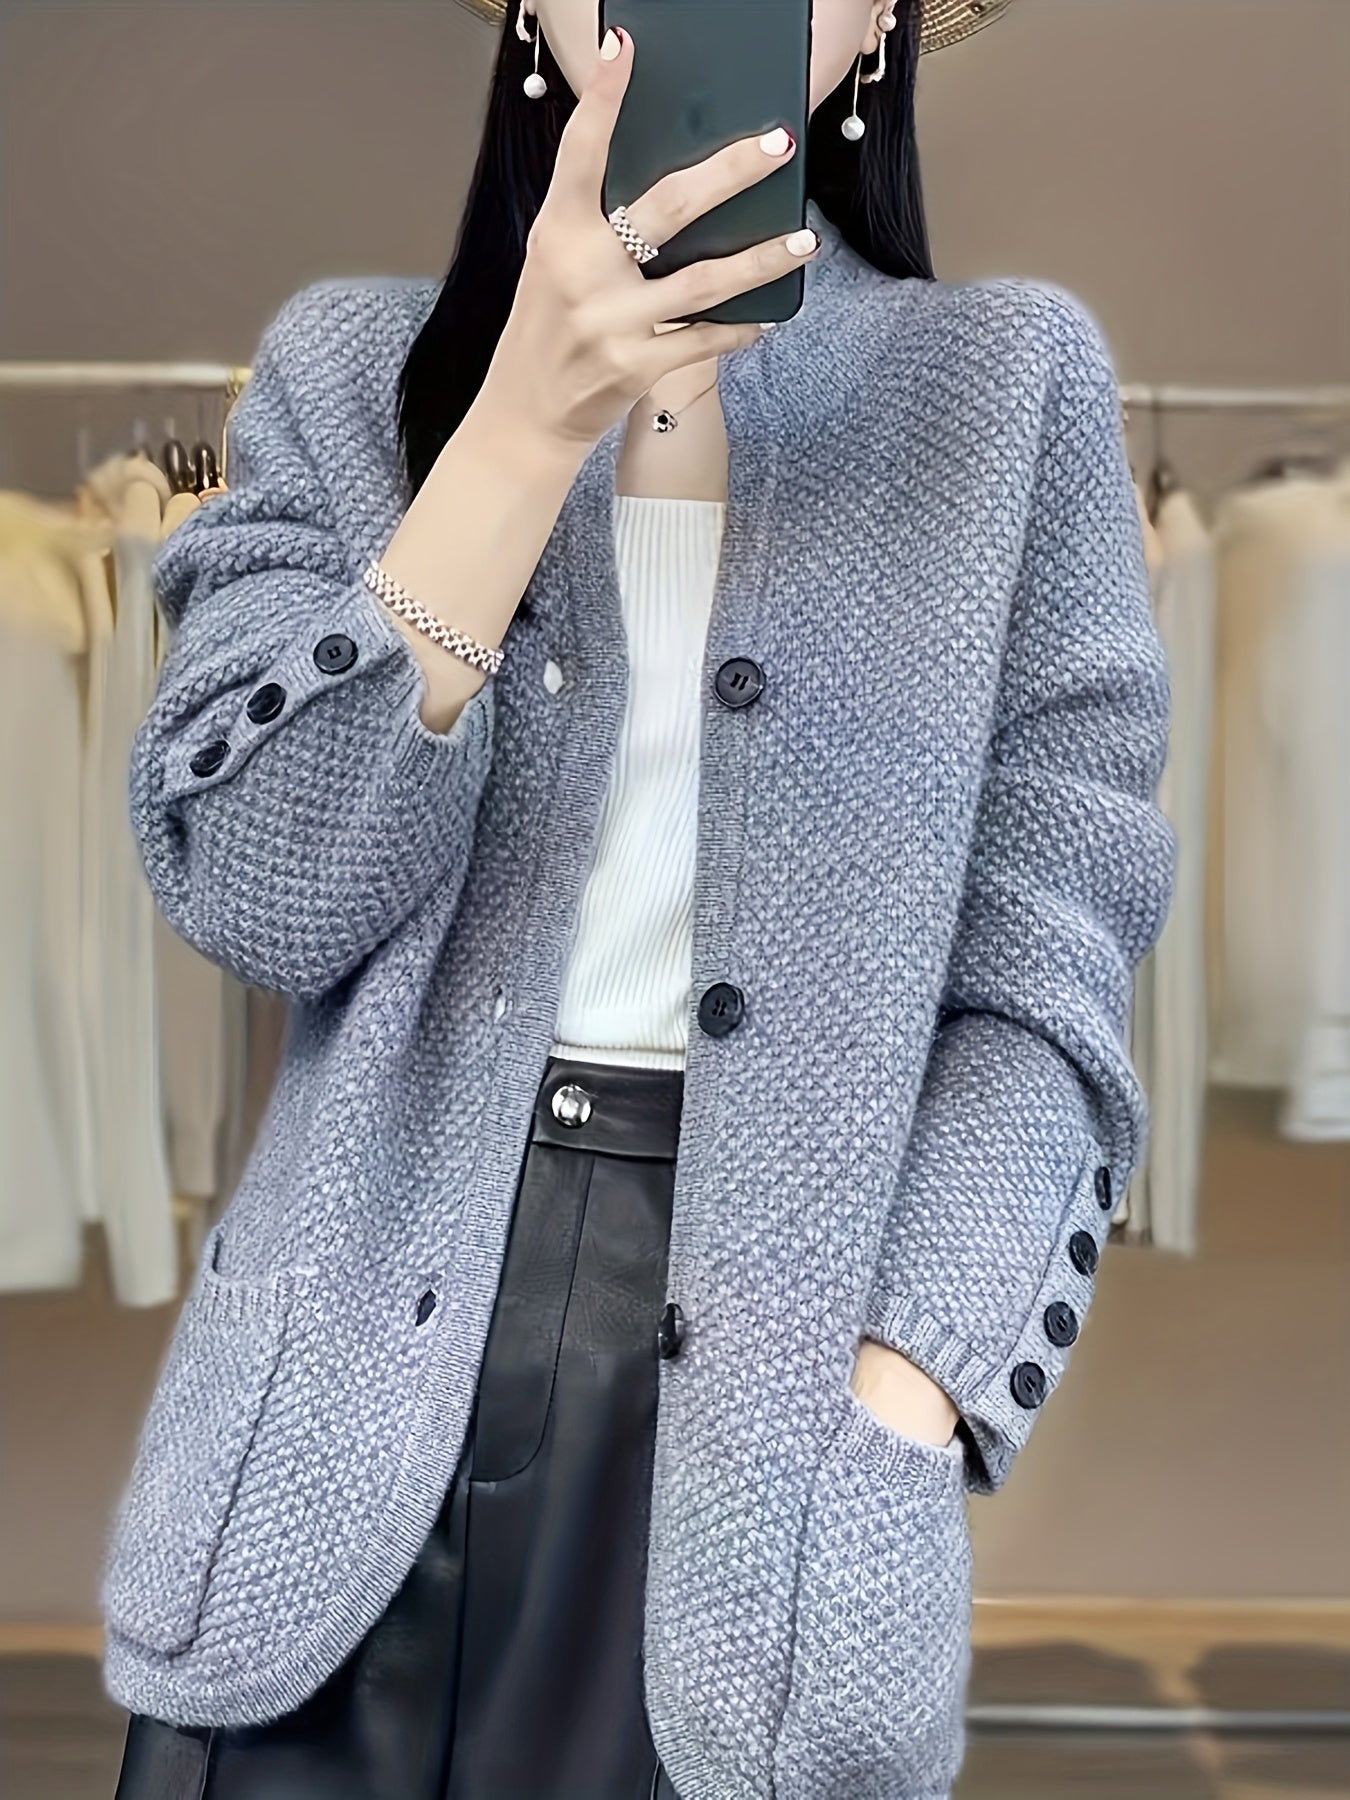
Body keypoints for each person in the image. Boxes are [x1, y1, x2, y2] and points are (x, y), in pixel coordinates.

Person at [104, 3, 1177, 1797]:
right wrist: (521, 427)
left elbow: (1045, 981)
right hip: (336, 1409)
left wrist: (901, 1396)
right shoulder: (347, 371)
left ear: (887, 16)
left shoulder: (1008, 388)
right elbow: (265, 896)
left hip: (780, 1419)